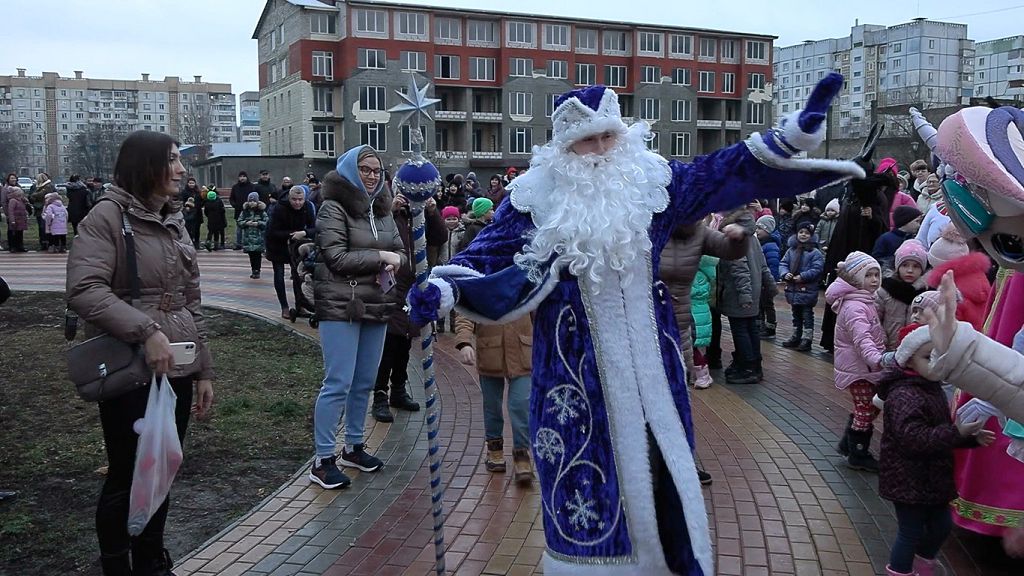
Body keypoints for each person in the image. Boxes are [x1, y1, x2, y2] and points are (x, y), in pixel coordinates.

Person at [410, 78, 864, 575]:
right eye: (587, 140)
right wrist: (444, 286)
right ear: (564, 146)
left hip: (654, 365)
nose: (601, 150)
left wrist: (790, 137)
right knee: (588, 479)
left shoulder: (653, 182)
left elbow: (723, 172)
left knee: (663, 468)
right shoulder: (534, 199)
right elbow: (484, 255)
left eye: (609, 136)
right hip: (573, 370)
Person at [65, 130, 214, 576]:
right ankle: (116, 564)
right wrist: (146, 331)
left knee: (163, 466)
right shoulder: (107, 217)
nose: (182, 169)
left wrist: (203, 369)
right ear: (145, 165)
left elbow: (190, 300)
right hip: (130, 367)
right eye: (172, 159)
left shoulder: (174, 219)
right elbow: (84, 289)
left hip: (177, 365)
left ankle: (151, 561)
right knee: (129, 470)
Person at [308, 145, 406, 490]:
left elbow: (400, 251)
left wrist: (395, 259)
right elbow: (335, 257)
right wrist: (381, 257)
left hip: (376, 302)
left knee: (364, 380)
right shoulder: (333, 207)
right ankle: (323, 459)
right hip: (341, 304)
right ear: (350, 170)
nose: (372, 176)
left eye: (377, 171)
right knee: (338, 382)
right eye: (365, 169)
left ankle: (353, 446)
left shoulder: (383, 210)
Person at [877, 323, 994, 576]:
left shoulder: (930, 388)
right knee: (911, 531)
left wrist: (969, 438)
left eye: (940, 356)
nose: (935, 362)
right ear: (908, 359)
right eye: (927, 357)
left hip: (932, 477)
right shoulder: (904, 394)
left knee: (941, 525)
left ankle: (922, 563)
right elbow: (913, 438)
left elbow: (938, 434)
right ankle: (900, 570)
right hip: (907, 477)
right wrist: (957, 433)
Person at [370, 191, 442, 423]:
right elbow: (374, 234)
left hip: (414, 288)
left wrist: (433, 212)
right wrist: (390, 211)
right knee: (388, 342)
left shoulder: (420, 216)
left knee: (405, 341)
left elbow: (440, 237)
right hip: (390, 283)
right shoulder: (388, 213)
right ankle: (380, 394)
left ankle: (399, 390)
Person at [455, 312, 535, 484]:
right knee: (492, 405)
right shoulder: (479, 290)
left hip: (523, 352)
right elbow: (465, 311)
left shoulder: (525, 290)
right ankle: (494, 448)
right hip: (490, 351)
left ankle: (522, 453)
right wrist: (464, 342)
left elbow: (539, 310)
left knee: (521, 404)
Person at [826, 252, 886, 471]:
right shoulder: (855, 306)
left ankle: (848, 444)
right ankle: (858, 453)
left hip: (865, 367)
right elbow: (862, 338)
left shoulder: (864, 300)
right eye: (868, 275)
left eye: (876, 274)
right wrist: (876, 358)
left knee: (871, 406)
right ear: (856, 279)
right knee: (866, 408)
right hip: (860, 369)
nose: (874, 280)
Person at [265, 186, 316, 318]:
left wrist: (304, 233)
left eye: (300, 200)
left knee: (298, 275)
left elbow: (314, 228)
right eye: (294, 199)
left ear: (304, 199)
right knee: (279, 274)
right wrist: (291, 234)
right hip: (277, 244)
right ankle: (284, 307)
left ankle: (300, 305)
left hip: (296, 244)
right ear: (289, 198)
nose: (297, 203)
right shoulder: (279, 208)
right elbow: (272, 231)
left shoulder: (308, 207)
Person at [875, 239, 929, 350]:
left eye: (916, 266)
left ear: (922, 270)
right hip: (886, 348)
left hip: (916, 350)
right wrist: (881, 341)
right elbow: (874, 319)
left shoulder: (927, 294)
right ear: (897, 267)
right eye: (904, 265)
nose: (910, 270)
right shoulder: (884, 291)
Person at [779, 222, 825, 351]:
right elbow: (783, 263)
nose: (803, 235)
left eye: (807, 233)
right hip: (793, 288)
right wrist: (785, 273)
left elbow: (817, 269)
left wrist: (803, 276)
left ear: (811, 235)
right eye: (801, 232)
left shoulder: (814, 252)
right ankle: (796, 335)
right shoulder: (791, 250)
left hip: (807, 289)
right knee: (796, 314)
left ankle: (807, 338)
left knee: (807, 314)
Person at [872, 205, 923, 271]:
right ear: (905, 221)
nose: (919, 225)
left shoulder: (914, 239)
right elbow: (876, 258)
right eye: (917, 221)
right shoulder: (885, 238)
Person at [754, 215, 781, 339]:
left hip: (766, 281)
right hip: (760, 281)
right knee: (759, 304)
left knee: (767, 304)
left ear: (768, 230)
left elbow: (773, 265)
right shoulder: (760, 243)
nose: (757, 231)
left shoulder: (770, 245)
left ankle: (770, 327)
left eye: (760, 228)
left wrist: (771, 281)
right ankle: (759, 325)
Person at [238, 192, 269, 279]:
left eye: (254, 201)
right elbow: (239, 221)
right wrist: (246, 223)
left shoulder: (261, 212)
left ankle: (257, 270)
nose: (252, 203)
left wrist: (258, 223)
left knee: (257, 255)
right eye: (250, 201)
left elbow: (267, 222)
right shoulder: (245, 212)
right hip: (248, 238)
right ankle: (253, 269)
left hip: (258, 238)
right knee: (251, 255)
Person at [229, 171, 255, 250]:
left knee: (249, 229)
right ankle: (238, 244)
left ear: (246, 177)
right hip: (238, 210)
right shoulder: (235, 187)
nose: (242, 178)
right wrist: (235, 205)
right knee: (239, 229)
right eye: (241, 176)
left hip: (249, 210)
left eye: (244, 176)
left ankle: (248, 244)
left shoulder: (252, 186)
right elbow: (231, 198)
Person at [179, 178, 204, 248]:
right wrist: (185, 206)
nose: (191, 184)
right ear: (187, 183)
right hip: (188, 213)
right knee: (189, 229)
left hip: (197, 213)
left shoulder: (198, 192)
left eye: (192, 183)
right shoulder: (184, 192)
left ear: (195, 183)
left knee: (197, 229)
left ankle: (197, 243)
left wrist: (200, 204)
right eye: (190, 183)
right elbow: (181, 201)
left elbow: (201, 201)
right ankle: (190, 243)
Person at [5, 187, 29, 252]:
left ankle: (20, 246)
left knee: (20, 233)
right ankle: (13, 247)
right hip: (15, 220)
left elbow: (24, 209)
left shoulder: (21, 200)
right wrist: (12, 220)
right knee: (14, 234)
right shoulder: (12, 200)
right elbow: (11, 211)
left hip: (21, 220)